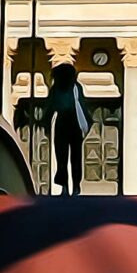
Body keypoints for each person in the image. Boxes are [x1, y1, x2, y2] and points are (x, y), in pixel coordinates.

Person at [44, 62, 92, 196]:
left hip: (68, 122)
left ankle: (72, 186)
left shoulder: (69, 88)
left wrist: (46, 122)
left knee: (68, 157)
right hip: (67, 122)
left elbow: (50, 107)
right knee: (64, 157)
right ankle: (69, 186)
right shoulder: (68, 88)